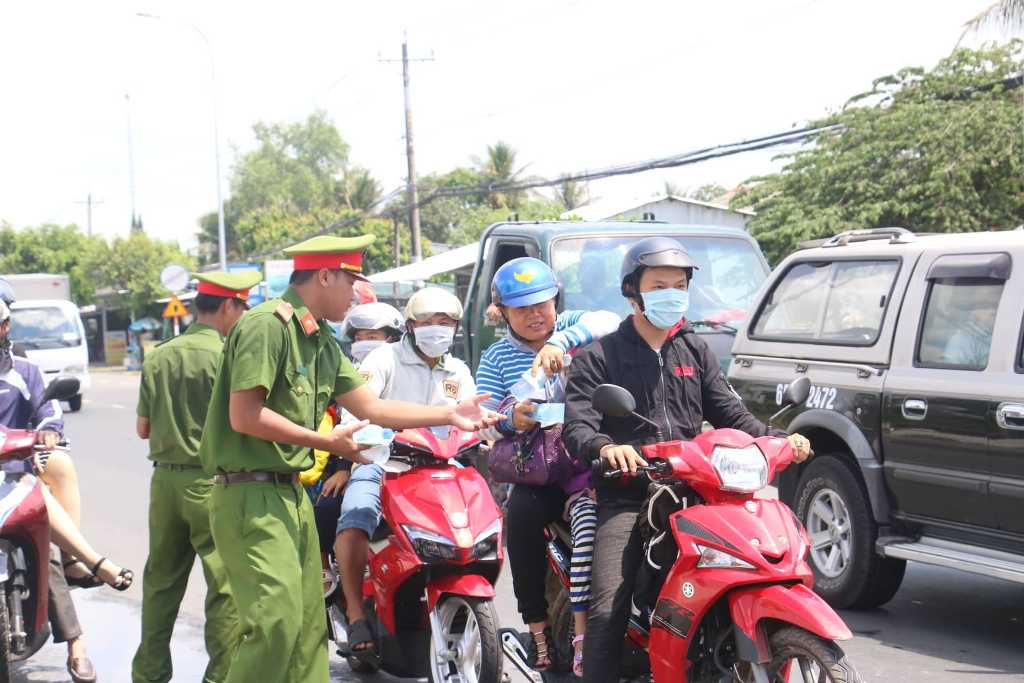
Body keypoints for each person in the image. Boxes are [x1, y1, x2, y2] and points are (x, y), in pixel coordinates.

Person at [197, 235, 498, 683]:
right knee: (274, 628)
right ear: (324, 275)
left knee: (307, 631)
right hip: (248, 494)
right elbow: (245, 416)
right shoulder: (267, 326)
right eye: (351, 280)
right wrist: (327, 445)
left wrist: (450, 413)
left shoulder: (317, 341)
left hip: (288, 494)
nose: (357, 293)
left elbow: (373, 408)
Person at [561, 236, 813, 683]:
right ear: (632, 292)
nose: (672, 294)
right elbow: (578, 427)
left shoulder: (694, 351)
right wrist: (606, 449)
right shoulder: (599, 357)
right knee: (607, 605)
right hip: (629, 497)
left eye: (679, 285)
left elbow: (731, 413)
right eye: (659, 285)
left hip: (697, 492)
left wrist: (780, 439)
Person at [476, 257, 620, 671]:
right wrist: (510, 419)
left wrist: (562, 343)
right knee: (521, 521)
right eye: (522, 309)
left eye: (543, 304)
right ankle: (537, 629)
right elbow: (484, 420)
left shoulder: (572, 326)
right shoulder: (495, 358)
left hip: (588, 459)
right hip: (535, 469)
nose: (536, 315)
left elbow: (609, 319)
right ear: (503, 312)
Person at [131, 271, 260, 683]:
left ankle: (149, 674)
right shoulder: (227, 356)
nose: (244, 315)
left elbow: (143, 429)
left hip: (164, 484)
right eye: (243, 307)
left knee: (160, 583)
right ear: (227, 306)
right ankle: (220, 677)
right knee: (223, 588)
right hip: (213, 484)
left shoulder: (159, 355)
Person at [333, 286, 476, 661]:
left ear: (455, 326)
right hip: (382, 465)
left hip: (439, 469)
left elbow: (473, 420)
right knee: (355, 520)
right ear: (411, 325)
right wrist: (376, 436)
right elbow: (354, 413)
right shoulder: (383, 359)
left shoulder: (457, 370)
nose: (436, 328)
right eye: (427, 321)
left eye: (444, 321)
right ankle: (355, 611)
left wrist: (503, 423)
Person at [0, 298, 134, 683]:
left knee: (49, 556)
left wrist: (47, 433)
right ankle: (93, 561)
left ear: (5, 327)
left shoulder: (25, 372)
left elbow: (50, 415)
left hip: (15, 479)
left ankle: (77, 646)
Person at [311, 301, 404, 581]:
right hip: (353, 460)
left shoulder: (404, 369)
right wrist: (342, 467)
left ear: (392, 338)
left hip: (409, 459)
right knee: (327, 504)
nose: (365, 343)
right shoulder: (342, 374)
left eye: (372, 337)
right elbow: (340, 424)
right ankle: (324, 568)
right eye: (359, 338)